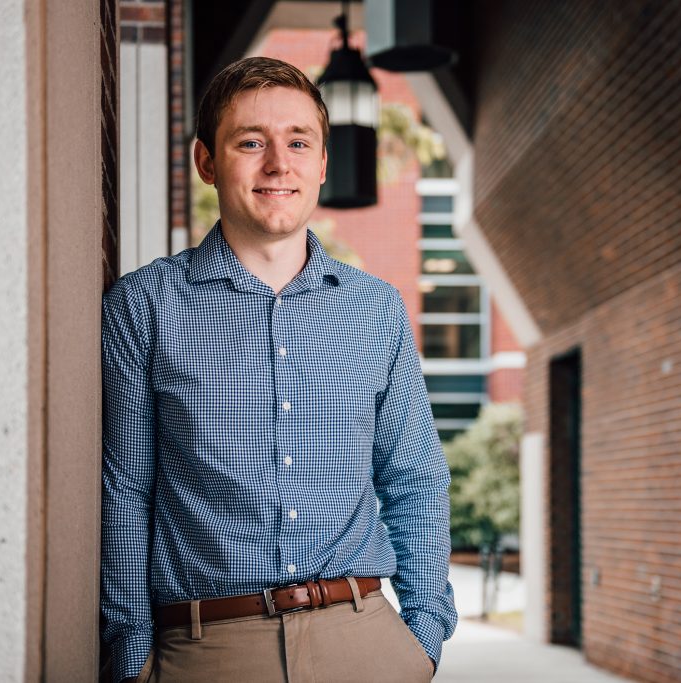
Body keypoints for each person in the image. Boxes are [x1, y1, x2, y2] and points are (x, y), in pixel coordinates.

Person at [100, 56, 456, 683]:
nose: (278, 164)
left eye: (298, 142)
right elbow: (126, 491)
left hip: (364, 641)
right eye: (250, 143)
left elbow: (415, 478)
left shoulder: (375, 310)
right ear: (207, 161)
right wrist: (130, 661)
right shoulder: (143, 307)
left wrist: (424, 639)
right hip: (208, 647)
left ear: (322, 163)